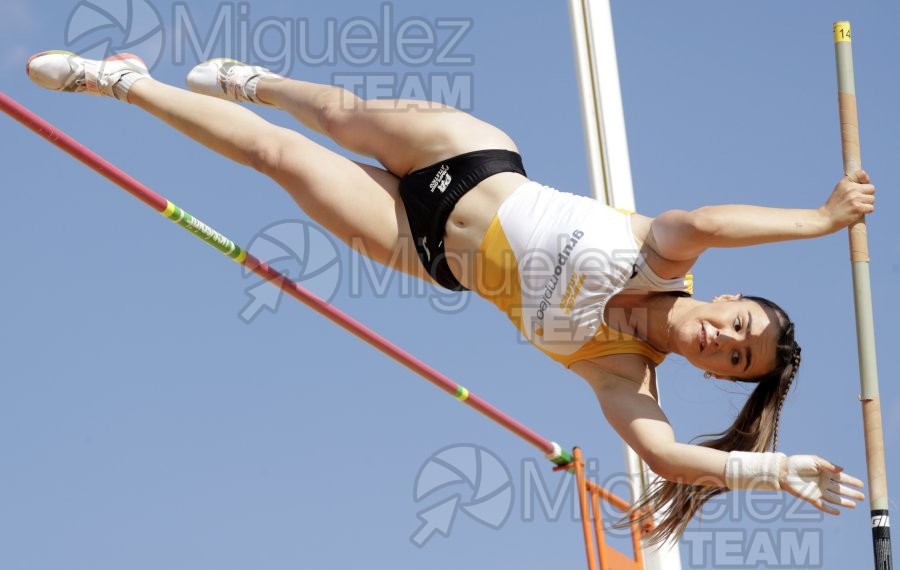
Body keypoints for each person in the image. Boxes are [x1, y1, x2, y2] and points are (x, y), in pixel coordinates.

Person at [26, 51, 870, 541]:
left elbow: (665, 459)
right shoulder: (667, 251)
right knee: (334, 111)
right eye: (740, 323)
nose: (723, 339)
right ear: (725, 296)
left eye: (735, 359)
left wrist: (772, 468)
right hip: (467, 156)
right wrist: (821, 219)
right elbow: (714, 218)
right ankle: (256, 79)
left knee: (278, 163)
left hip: (425, 250)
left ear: (719, 376)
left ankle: (121, 83)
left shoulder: (620, 374)